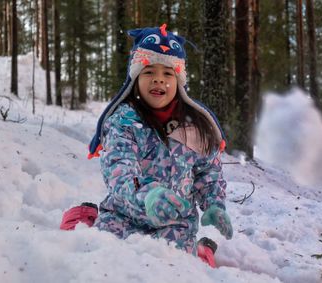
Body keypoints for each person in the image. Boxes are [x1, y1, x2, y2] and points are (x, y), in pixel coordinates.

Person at [60, 24, 233, 267]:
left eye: (168, 73)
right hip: (123, 215)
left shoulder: (196, 125)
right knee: (96, 259)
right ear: (136, 77)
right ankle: (81, 218)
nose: (159, 79)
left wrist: (214, 205)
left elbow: (208, 173)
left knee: (176, 267)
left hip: (175, 222)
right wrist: (148, 196)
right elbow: (118, 169)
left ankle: (202, 251)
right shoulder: (123, 121)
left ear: (179, 80)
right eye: (149, 71)